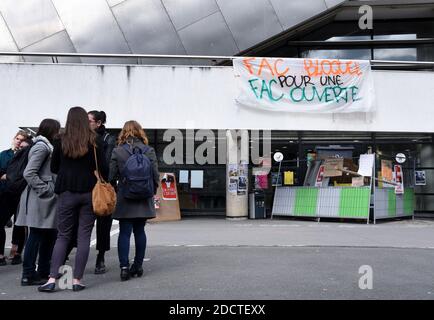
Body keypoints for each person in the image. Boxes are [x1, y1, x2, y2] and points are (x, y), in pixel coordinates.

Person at [38, 107, 107, 293]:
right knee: (84, 236)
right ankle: (77, 280)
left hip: (66, 192)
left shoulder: (60, 140)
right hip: (89, 192)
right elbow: (104, 168)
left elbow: (54, 168)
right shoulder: (95, 140)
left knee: (63, 235)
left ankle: (52, 278)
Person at [109, 121, 159, 281]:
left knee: (124, 233)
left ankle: (124, 267)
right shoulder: (149, 151)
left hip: (125, 197)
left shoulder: (118, 152)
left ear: (124, 133)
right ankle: (138, 266)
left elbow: (110, 176)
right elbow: (155, 176)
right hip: (144, 197)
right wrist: (151, 191)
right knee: (140, 231)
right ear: (140, 132)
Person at [15, 119, 60, 285]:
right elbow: (29, 173)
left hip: (43, 198)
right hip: (40, 198)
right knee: (36, 234)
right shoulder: (42, 146)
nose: (58, 133)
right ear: (51, 130)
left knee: (49, 234)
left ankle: (43, 271)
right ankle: (28, 274)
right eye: (56, 129)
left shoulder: (43, 144)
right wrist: (46, 190)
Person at [88, 110, 116, 274]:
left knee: (103, 224)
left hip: (101, 186)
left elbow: (108, 165)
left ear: (99, 123)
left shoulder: (107, 139)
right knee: (81, 223)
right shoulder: (83, 137)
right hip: (86, 185)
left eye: (89, 121)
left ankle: (101, 257)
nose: (86, 123)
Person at [0, 130, 29, 266]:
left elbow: (22, 175)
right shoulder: (4, 154)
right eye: (17, 138)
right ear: (14, 139)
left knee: (20, 224)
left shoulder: (26, 155)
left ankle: (16, 252)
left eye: (21, 139)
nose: (18, 141)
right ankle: (1, 254)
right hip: (5, 193)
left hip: (21, 193)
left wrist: (9, 176)